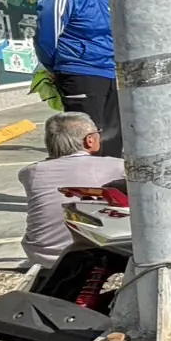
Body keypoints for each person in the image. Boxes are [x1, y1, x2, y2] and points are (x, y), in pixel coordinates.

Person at [35, 0, 120, 157]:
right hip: (80, 72)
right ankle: (87, 186)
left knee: (112, 135)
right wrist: (55, 69)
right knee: (85, 136)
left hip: (108, 71)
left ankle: (111, 183)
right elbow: (46, 38)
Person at [19, 112, 125, 269]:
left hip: (41, 255)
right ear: (89, 140)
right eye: (97, 133)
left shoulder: (30, 173)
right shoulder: (116, 165)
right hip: (91, 253)